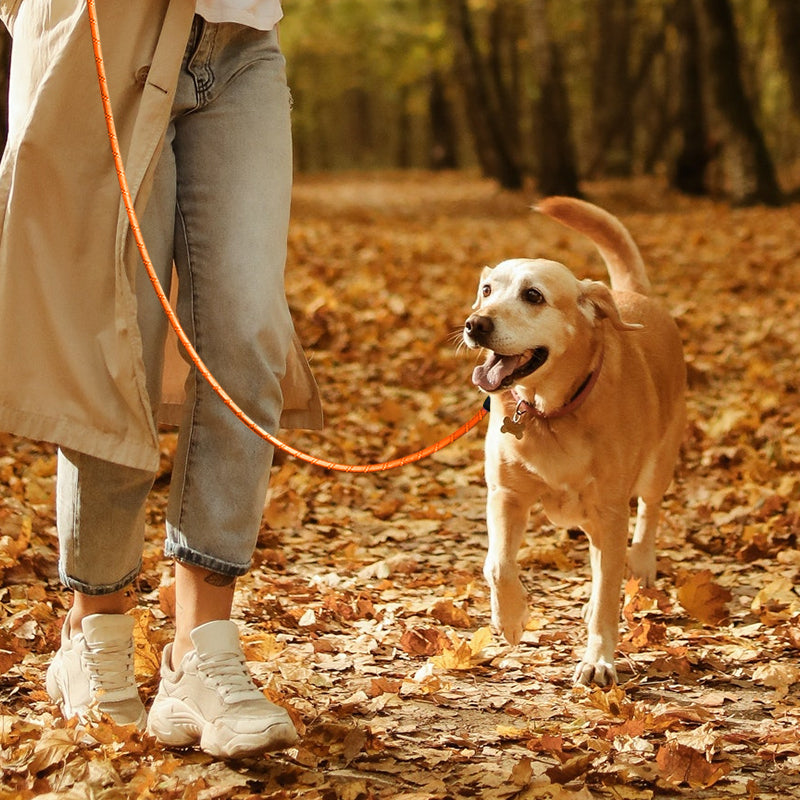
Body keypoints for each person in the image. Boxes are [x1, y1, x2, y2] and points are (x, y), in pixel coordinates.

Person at [0, 0, 322, 759]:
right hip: (101, 35)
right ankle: (95, 630)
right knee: (116, 334)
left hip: (240, 42)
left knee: (245, 332)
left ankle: (200, 653)